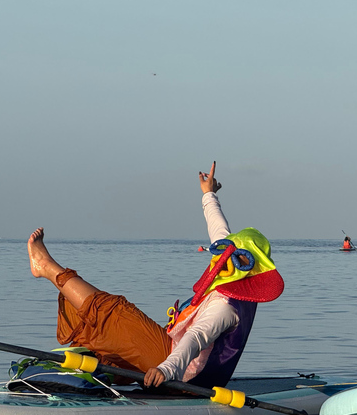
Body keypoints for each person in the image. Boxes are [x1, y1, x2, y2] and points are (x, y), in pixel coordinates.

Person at [26, 162, 284, 389]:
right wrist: (208, 195)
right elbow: (219, 229)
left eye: (236, 257)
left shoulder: (226, 308)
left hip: (185, 379)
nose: (224, 257)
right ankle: (104, 372)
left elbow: (195, 339)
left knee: (116, 312)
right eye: (227, 251)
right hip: (177, 355)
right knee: (105, 343)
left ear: (250, 269)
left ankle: (46, 267)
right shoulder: (229, 264)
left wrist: (166, 370)